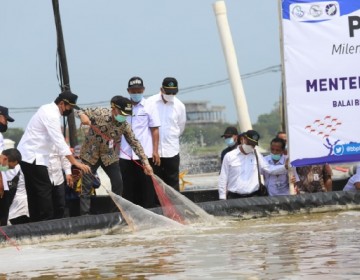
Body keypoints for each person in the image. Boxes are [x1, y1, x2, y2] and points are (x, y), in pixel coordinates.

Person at [17, 90, 90, 222]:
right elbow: (59, 142)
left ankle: (36, 221)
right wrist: (76, 163)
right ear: (62, 104)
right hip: (33, 156)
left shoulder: (47, 109)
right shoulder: (51, 114)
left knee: (34, 192)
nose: (69, 111)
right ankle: (46, 222)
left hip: (31, 157)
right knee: (43, 191)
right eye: (69, 107)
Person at [77, 95, 153, 215]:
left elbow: (135, 143)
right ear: (114, 109)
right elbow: (79, 110)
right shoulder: (99, 112)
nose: (124, 117)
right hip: (90, 155)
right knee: (86, 186)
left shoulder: (124, 125)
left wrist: (146, 163)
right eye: (122, 114)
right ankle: (84, 215)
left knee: (118, 183)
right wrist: (82, 116)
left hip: (109, 156)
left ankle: (115, 213)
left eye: (126, 115)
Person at [119, 77, 161, 208]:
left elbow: (155, 129)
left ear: (143, 90)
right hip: (125, 155)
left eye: (138, 90)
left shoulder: (149, 106)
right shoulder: (122, 107)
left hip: (145, 155)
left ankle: (149, 214)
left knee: (147, 188)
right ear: (128, 91)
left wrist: (155, 151)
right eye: (133, 91)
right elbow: (116, 129)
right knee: (128, 189)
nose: (136, 93)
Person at [219, 130, 289, 200]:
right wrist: (222, 198)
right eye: (249, 143)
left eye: (253, 144)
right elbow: (223, 178)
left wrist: (284, 167)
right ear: (242, 139)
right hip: (235, 197)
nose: (251, 146)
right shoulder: (229, 156)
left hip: (254, 197)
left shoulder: (256, 155)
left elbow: (269, 169)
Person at [147, 77, 186, 191]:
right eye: (168, 92)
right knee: (154, 183)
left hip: (171, 150)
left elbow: (180, 127)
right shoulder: (150, 102)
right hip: (153, 151)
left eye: (174, 92)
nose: (170, 94)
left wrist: (170, 138)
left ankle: (173, 208)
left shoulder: (179, 106)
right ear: (161, 89)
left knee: (172, 183)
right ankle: (157, 208)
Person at [0, 148, 25, 225]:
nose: (15, 167)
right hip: (2, 192)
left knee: (3, 218)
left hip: (4, 190)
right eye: (16, 164)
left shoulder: (3, 165)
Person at [48, 145, 73, 219]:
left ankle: (60, 223)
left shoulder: (58, 143)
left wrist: (68, 173)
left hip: (58, 178)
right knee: (47, 205)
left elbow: (64, 159)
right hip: (45, 180)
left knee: (61, 203)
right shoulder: (38, 144)